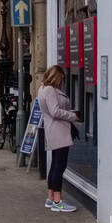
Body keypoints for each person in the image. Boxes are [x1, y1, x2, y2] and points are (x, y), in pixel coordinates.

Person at [38, 65, 81, 212]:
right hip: (58, 131)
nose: (62, 81)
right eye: (61, 78)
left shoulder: (43, 88)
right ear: (56, 77)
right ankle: (57, 202)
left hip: (54, 130)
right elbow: (55, 111)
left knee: (55, 165)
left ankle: (51, 198)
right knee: (59, 166)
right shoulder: (49, 90)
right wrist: (74, 116)